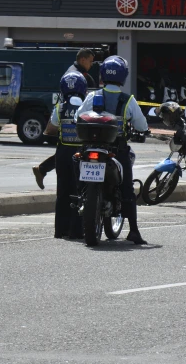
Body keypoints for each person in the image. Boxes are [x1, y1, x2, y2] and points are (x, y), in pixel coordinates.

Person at [76, 56, 149, 245]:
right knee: (127, 191)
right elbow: (142, 125)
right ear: (123, 76)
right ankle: (133, 230)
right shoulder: (128, 100)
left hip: (91, 147)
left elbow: (78, 116)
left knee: (79, 182)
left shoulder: (93, 96)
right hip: (117, 150)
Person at [33, 48, 99, 189]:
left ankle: (42, 169)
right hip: (71, 116)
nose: (92, 64)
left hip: (67, 115)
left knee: (69, 150)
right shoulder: (75, 74)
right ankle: (43, 169)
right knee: (73, 149)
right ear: (82, 59)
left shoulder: (77, 72)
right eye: (90, 61)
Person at [44, 72, 87, 239]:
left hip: (63, 154)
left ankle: (60, 231)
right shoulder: (87, 105)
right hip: (82, 154)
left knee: (63, 193)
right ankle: (77, 231)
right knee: (81, 191)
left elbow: (50, 129)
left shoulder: (60, 106)